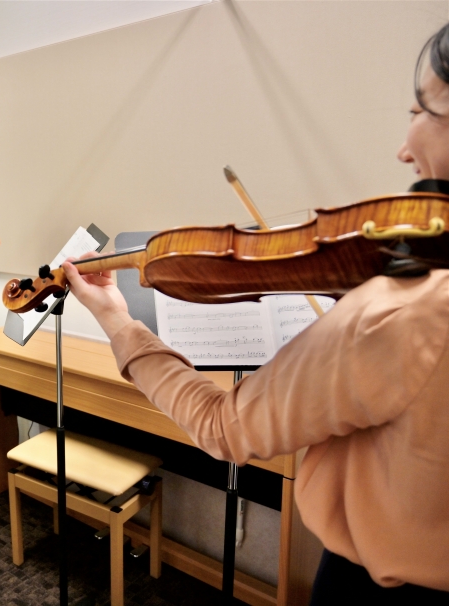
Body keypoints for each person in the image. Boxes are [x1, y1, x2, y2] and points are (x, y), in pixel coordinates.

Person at [62, 24, 449, 604]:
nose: (403, 146)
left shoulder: (406, 312)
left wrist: (117, 320)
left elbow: (223, 427)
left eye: (420, 109)